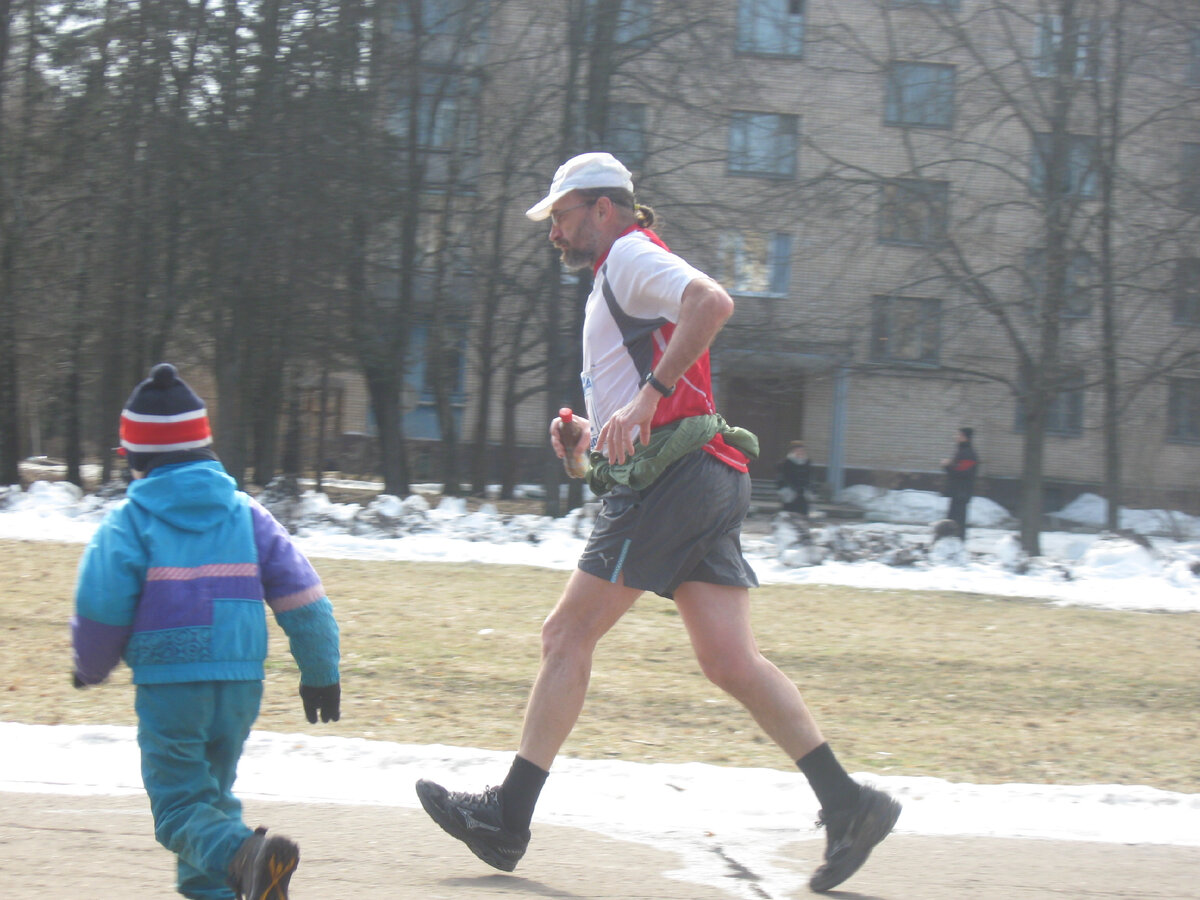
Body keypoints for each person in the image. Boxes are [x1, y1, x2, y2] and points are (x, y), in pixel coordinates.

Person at [415, 152, 900, 894]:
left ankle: (507, 816)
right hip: (704, 476)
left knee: (565, 634)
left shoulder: (631, 257)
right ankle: (849, 802)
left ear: (605, 209)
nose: (555, 232)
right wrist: (585, 455)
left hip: (676, 480)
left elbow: (714, 302)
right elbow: (642, 408)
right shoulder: (618, 277)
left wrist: (647, 395)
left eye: (564, 215)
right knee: (730, 662)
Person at [71, 363, 342, 900]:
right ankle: (225, 883)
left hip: (173, 686)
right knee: (209, 800)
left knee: (176, 808)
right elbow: (305, 598)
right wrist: (320, 671)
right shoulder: (249, 516)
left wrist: (90, 666)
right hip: (241, 686)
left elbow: (100, 604)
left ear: (136, 458)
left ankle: (244, 854)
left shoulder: (128, 522)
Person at [941, 426, 979, 540]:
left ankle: (956, 542)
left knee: (957, 520)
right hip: (959, 492)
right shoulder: (963, 451)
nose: (956, 437)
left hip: (961, 492)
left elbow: (962, 472)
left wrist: (948, 466)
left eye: (958, 435)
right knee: (954, 519)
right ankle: (952, 541)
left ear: (964, 437)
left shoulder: (968, 453)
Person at [777, 439, 812, 516]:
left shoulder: (807, 462)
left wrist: (809, 490)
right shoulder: (786, 463)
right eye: (797, 450)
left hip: (803, 495)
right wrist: (784, 491)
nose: (800, 452)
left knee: (803, 515)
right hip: (790, 494)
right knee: (789, 515)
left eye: (802, 450)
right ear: (793, 451)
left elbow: (810, 477)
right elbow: (781, 478)